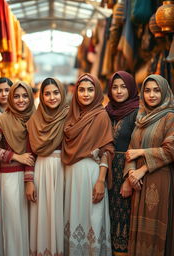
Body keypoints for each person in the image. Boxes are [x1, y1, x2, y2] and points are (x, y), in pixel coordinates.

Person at [124, 74, 174, 256]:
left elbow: (171, 149)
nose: (152, 95)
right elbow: (131, 148)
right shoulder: (141, 118)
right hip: (139, 183)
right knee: (140, 229)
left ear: (164, 92)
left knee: (157, 229)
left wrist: (142, 164)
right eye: (147, 90)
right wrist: (131, 173)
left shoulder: (171, 117)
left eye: (157, 90)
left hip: (161, 179)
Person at [61, 73, 114, 255]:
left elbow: (107, 150)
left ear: (97, 92)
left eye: (90, 90)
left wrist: (101, 180)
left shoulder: (101, 116)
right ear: (75, 93)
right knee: (73, 219)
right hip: (71, 176)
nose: (85, 94)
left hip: (92, 175)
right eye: (81, 90)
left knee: (93, 219)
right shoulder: (70, 116)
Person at [0, 81, 35, 256]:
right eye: (16, 96)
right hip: (11, 178)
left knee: (33, 224)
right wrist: (15, 156)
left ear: (30, 98)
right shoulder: (3, 119)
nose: (21, 100)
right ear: (11, 98)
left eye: (24, 96)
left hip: (35, 177)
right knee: (14, 223)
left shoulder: (36, 118)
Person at [27, 77, 69, 255]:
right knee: (43, 216)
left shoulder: (70, 116)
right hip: (42, 170)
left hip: (65, 170)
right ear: (41, 97)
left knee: (62, 214)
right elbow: (29, 152)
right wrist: (29, 181)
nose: (52, 97)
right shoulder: (34, 120)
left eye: (55, 92)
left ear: (62, 93)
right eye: (47, 94)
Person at [105, 71, 139, 256]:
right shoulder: (107, 111)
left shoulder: (138, 112)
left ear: (131, 88)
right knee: (107, 215)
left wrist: (127, 179)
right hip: (107, 170)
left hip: (125, 169)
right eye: (115, 87)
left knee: (124, 217)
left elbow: (137, 145)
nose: (119, 91)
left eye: (123, 87)